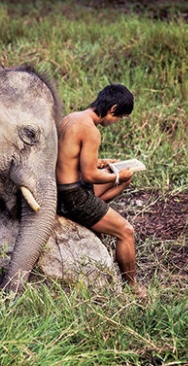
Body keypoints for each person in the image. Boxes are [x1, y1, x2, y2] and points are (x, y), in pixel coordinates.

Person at [55, 84, 139, 287]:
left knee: (124, 177)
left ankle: (95, 213)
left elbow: (68, 159)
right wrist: (118, 176)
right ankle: (133, 288)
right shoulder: (91, 131)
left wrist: (101, 163)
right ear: (112, 109)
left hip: (60, 188)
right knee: (126, 232)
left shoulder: (71, 118)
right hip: (72, 196)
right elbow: (91, 176)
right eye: (119, 117)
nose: (117, 122)